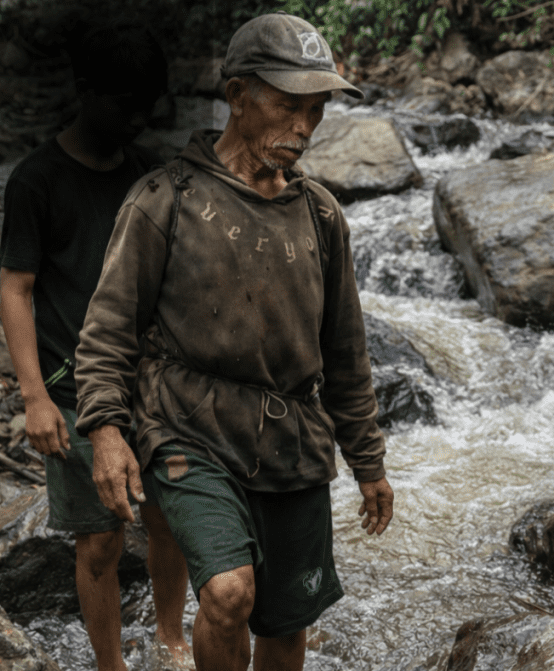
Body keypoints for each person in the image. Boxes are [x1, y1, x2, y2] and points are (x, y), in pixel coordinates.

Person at [73, 11, 395, 671]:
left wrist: (369, 461)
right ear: (238, 96)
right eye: (287, 106)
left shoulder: (321, 215)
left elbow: (345, 353)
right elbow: (107, 331)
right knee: (227, 593)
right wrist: (106, 429)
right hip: (190, 427)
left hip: (294, 440)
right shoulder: (164, 200)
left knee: (285, 619)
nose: (303, 128)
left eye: (316, 110)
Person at [0, 19, 194, 671]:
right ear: (85, 91)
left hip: (155, 386)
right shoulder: (36, 181)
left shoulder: (145, 173)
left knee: (170, 520)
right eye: (124, 104)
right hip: (74, 391)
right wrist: (34, 398)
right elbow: (15, 288)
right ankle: (110, 664)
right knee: (100, 542)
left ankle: (171, 638)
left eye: (148, 106)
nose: (138, 118)